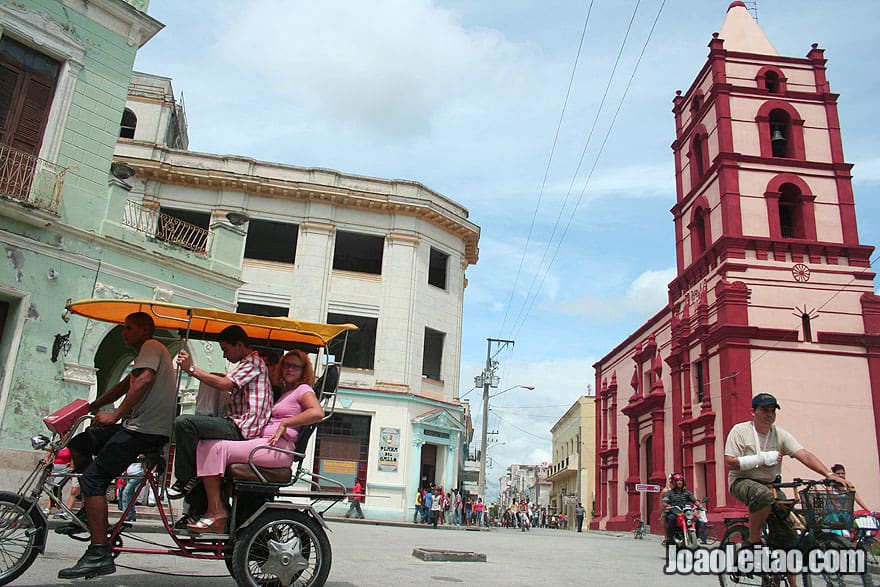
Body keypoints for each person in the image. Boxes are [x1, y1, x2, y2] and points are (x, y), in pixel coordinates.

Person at [57, 312, 176, 579]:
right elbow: (125, 385)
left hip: (144, 430)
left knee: (93, 479)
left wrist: (115, 415)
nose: (123, 332)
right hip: (135, 427)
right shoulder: (145, 354)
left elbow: (143, 380)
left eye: (128, 328)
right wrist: (90, 407)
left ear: (145, 330)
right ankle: (91, 514)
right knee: (80, 443)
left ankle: (99, 552)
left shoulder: (151, 347)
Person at [187, 349, 323, 532]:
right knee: (208, 445)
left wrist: (286, 423)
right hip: (268, 445)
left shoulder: (303, 390)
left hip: (278, 448)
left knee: (213, 448)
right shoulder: (286, 392)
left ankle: (216, 511)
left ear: (303, 370)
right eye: (287, 365)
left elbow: (317, 412)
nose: (290, 369)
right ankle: (214, 507)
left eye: (295, 367)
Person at [171, 325, 273, 523]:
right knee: (199, 442)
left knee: (184, 422)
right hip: (236, 423)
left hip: (242, 429)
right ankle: (199, 505)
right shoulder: (247, 364)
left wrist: (191, 369)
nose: (225, 356)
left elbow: (226, 384)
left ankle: (185, 479)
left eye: (226, 350)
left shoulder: (253, 362)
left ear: (240, 345)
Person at [724, 393, 851, 551]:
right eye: (764, 410)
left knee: (789, 539)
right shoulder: (740, 431)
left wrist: (829, 474)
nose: (769, 414)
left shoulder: (780, 435)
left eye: (773, 411)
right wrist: (762, 459)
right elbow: (730, 463)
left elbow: (803, 454)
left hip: (771, 485)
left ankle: (781, 572)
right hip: (742, 481)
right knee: (763, 495)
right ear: (753, 411)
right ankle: (753, 540)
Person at [661, 473, 698, 545]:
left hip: (685, 512)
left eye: (681, 480)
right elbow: (664, 501)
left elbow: (694, 500)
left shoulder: (687, 492)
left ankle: (696, 537)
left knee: (696, 520)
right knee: (671, 518)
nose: (679, 482)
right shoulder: (668, 492)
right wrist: (666, 506)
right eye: (677, 480)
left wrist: (700, 506)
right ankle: (670, 538)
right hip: (674, 512)